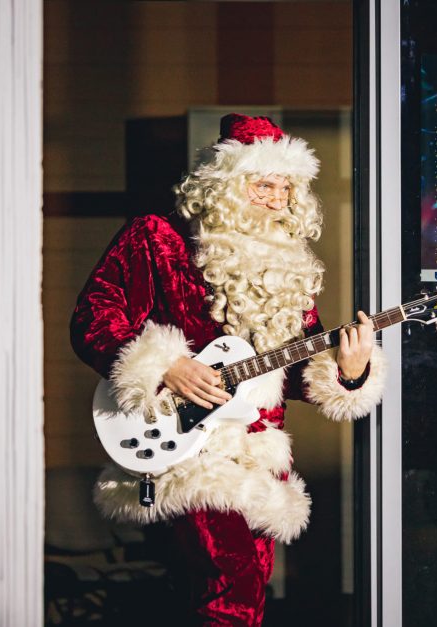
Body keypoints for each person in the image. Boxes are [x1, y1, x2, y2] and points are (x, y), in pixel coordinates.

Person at [70, 113, 386, 625]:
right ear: (224, 185)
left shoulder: (292, 268)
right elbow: (94, 316)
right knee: (230, 597)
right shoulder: (157, 238)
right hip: (185, 447)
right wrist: (164, 365)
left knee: (236, 593)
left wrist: (348, 370)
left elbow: (296, 370)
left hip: (259, 456)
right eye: (264, 184)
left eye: (286, 187)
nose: (276, 198)